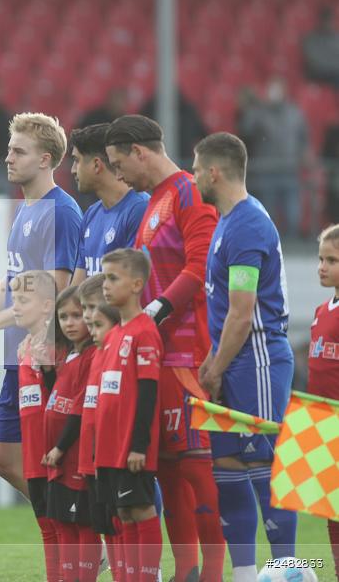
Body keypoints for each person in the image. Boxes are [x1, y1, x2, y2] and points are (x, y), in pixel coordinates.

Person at [105, 115, 224, 582]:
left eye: (119, 163)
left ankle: (214, 571)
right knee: (168, 471)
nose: (118, 175)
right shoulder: (154, 200)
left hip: (188, 357)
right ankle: (187, 570)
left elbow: (201, 266)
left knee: (197, 468)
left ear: (140, 151)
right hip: (155, 353)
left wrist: (155, 311)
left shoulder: (189, 191)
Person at [0, 112, 81, 502]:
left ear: (44, 159)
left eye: (19, 151)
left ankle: (79, 526)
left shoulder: (61, 211)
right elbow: (12, 280)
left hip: (46, 357)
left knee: (53, 458)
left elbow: (51, 296)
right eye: (9, 150)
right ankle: (67, 518)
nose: (8, 158)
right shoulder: (25, 209)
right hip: (17, 353)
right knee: (7, 461)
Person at [195, 132, 297, 582]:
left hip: (256, 359)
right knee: (228, 467)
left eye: (197, 169)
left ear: (214, 172)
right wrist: (213, 358)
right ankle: (245, 573)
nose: (194, 176)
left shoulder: (249, 224)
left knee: (261, 463)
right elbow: (225, 310)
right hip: (232, 358)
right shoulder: (227, 221)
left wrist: (216, 366)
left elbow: (242, 311)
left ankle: (287, 570)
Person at [97, 248, 164, 582]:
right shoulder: (113, 335)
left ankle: (147, 576)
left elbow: (149, 392)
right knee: (122, 512)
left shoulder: (144, 331)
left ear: (137, 284)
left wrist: (139, 444)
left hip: (131, 446)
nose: (105, 285)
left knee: (140, 509)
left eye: (113, 278)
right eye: (104, 277)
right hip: (111, 447)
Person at [42, 287, 100, 582]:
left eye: (77, 315)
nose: (70, 322)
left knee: (83, 524)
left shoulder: (91, 355)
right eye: (63, 316)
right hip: (58, 459)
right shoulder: (70, 356)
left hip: (75, 457)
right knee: (62, 520)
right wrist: (47, 372)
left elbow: (79, 410)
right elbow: (59, 399)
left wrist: (60, 447)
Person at [9, 269, 57, 580]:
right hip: (33, 454)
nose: (15, 306)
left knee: (65, 526)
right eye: (14, 299)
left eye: (23, 300)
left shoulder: (55, 346)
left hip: (56, 454)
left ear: (47, 306)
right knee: (46, 525)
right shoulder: (25, 347)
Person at [69, 124, 148, 286]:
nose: (72, 170)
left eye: (77, 161)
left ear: (97, 165)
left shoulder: (139, 210)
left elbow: (132, 287)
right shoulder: (91, 214)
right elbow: (77, 287)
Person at [81, 293, 122, 581]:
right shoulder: (93, 354)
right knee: (105, 522)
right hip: (93, 458)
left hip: (118, 454)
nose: (86, 322)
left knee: (128, 518)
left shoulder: (126, 344)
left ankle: (283, 565)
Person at [236, 78, 309, 237]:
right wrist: (252, 106)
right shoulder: (260, 113)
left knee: (292, 213)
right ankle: (270, 243)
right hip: (266, 170)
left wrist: (302, 155)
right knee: (267, 212)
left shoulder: (294, 113)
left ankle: (293, 243)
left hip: (289, 168)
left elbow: (303, 138)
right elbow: (246, 129)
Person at [310, 223, 339, 580]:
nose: (322, 266)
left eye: (331, 260)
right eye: (320, 258)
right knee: (329, 508)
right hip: (320, 422)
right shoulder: (321, 311)